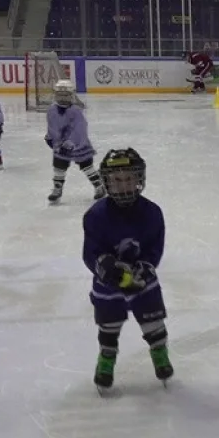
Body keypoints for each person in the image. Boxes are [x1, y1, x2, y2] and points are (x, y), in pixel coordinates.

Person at [82, 148, 172, 393]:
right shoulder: (96, 215)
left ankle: (159, 351)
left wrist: (145, 267)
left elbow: (155, 248)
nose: (124, 185)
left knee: (153, 322)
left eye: (129, 178)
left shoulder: (152, 213)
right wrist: (103, 266)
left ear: (139, 179)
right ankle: (106, 359)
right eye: (117, 180)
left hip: (143, 284)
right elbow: (90, 251)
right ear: (107, 182)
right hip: (108, 287)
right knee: (109, 326)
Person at [45, 80, 105, 203]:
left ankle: (99, 185)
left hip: (79, 145)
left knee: (87, 166)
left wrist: (71, 142)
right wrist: (51, 138)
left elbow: (80, 129)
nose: (62, 98)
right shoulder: (52, 110)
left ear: (71, 95)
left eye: (65, 95)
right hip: (61, 146)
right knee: (59, 167)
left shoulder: (76, 111)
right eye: (60, 95)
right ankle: (57, 189)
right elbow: (52, 126)